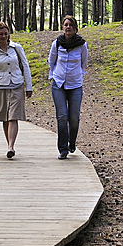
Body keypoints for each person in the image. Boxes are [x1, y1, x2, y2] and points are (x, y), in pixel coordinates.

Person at [0, 22, 33, 159]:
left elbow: (25, 66)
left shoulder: (16, 48)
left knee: (13, 116)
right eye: (1, 34)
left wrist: (28, 86)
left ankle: (11, 146)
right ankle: (9, 146)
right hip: (1, 87)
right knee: (5, 118)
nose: (3, 36)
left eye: (6, 34)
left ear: (9, 35)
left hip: (17, 85)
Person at [48, 15, 88, 160]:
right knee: (62, 116)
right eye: (66, 24)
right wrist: (53, 76)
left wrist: (77, 74)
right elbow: (51, 60)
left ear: (75, 27)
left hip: (75, 84)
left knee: (74, 117)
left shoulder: (82, 44)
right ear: (62, 27)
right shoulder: (57, 43)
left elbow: (84, 62)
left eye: (71, 24)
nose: (68, 27)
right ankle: (63, 149)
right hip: (58, 84)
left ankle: (72, 142)